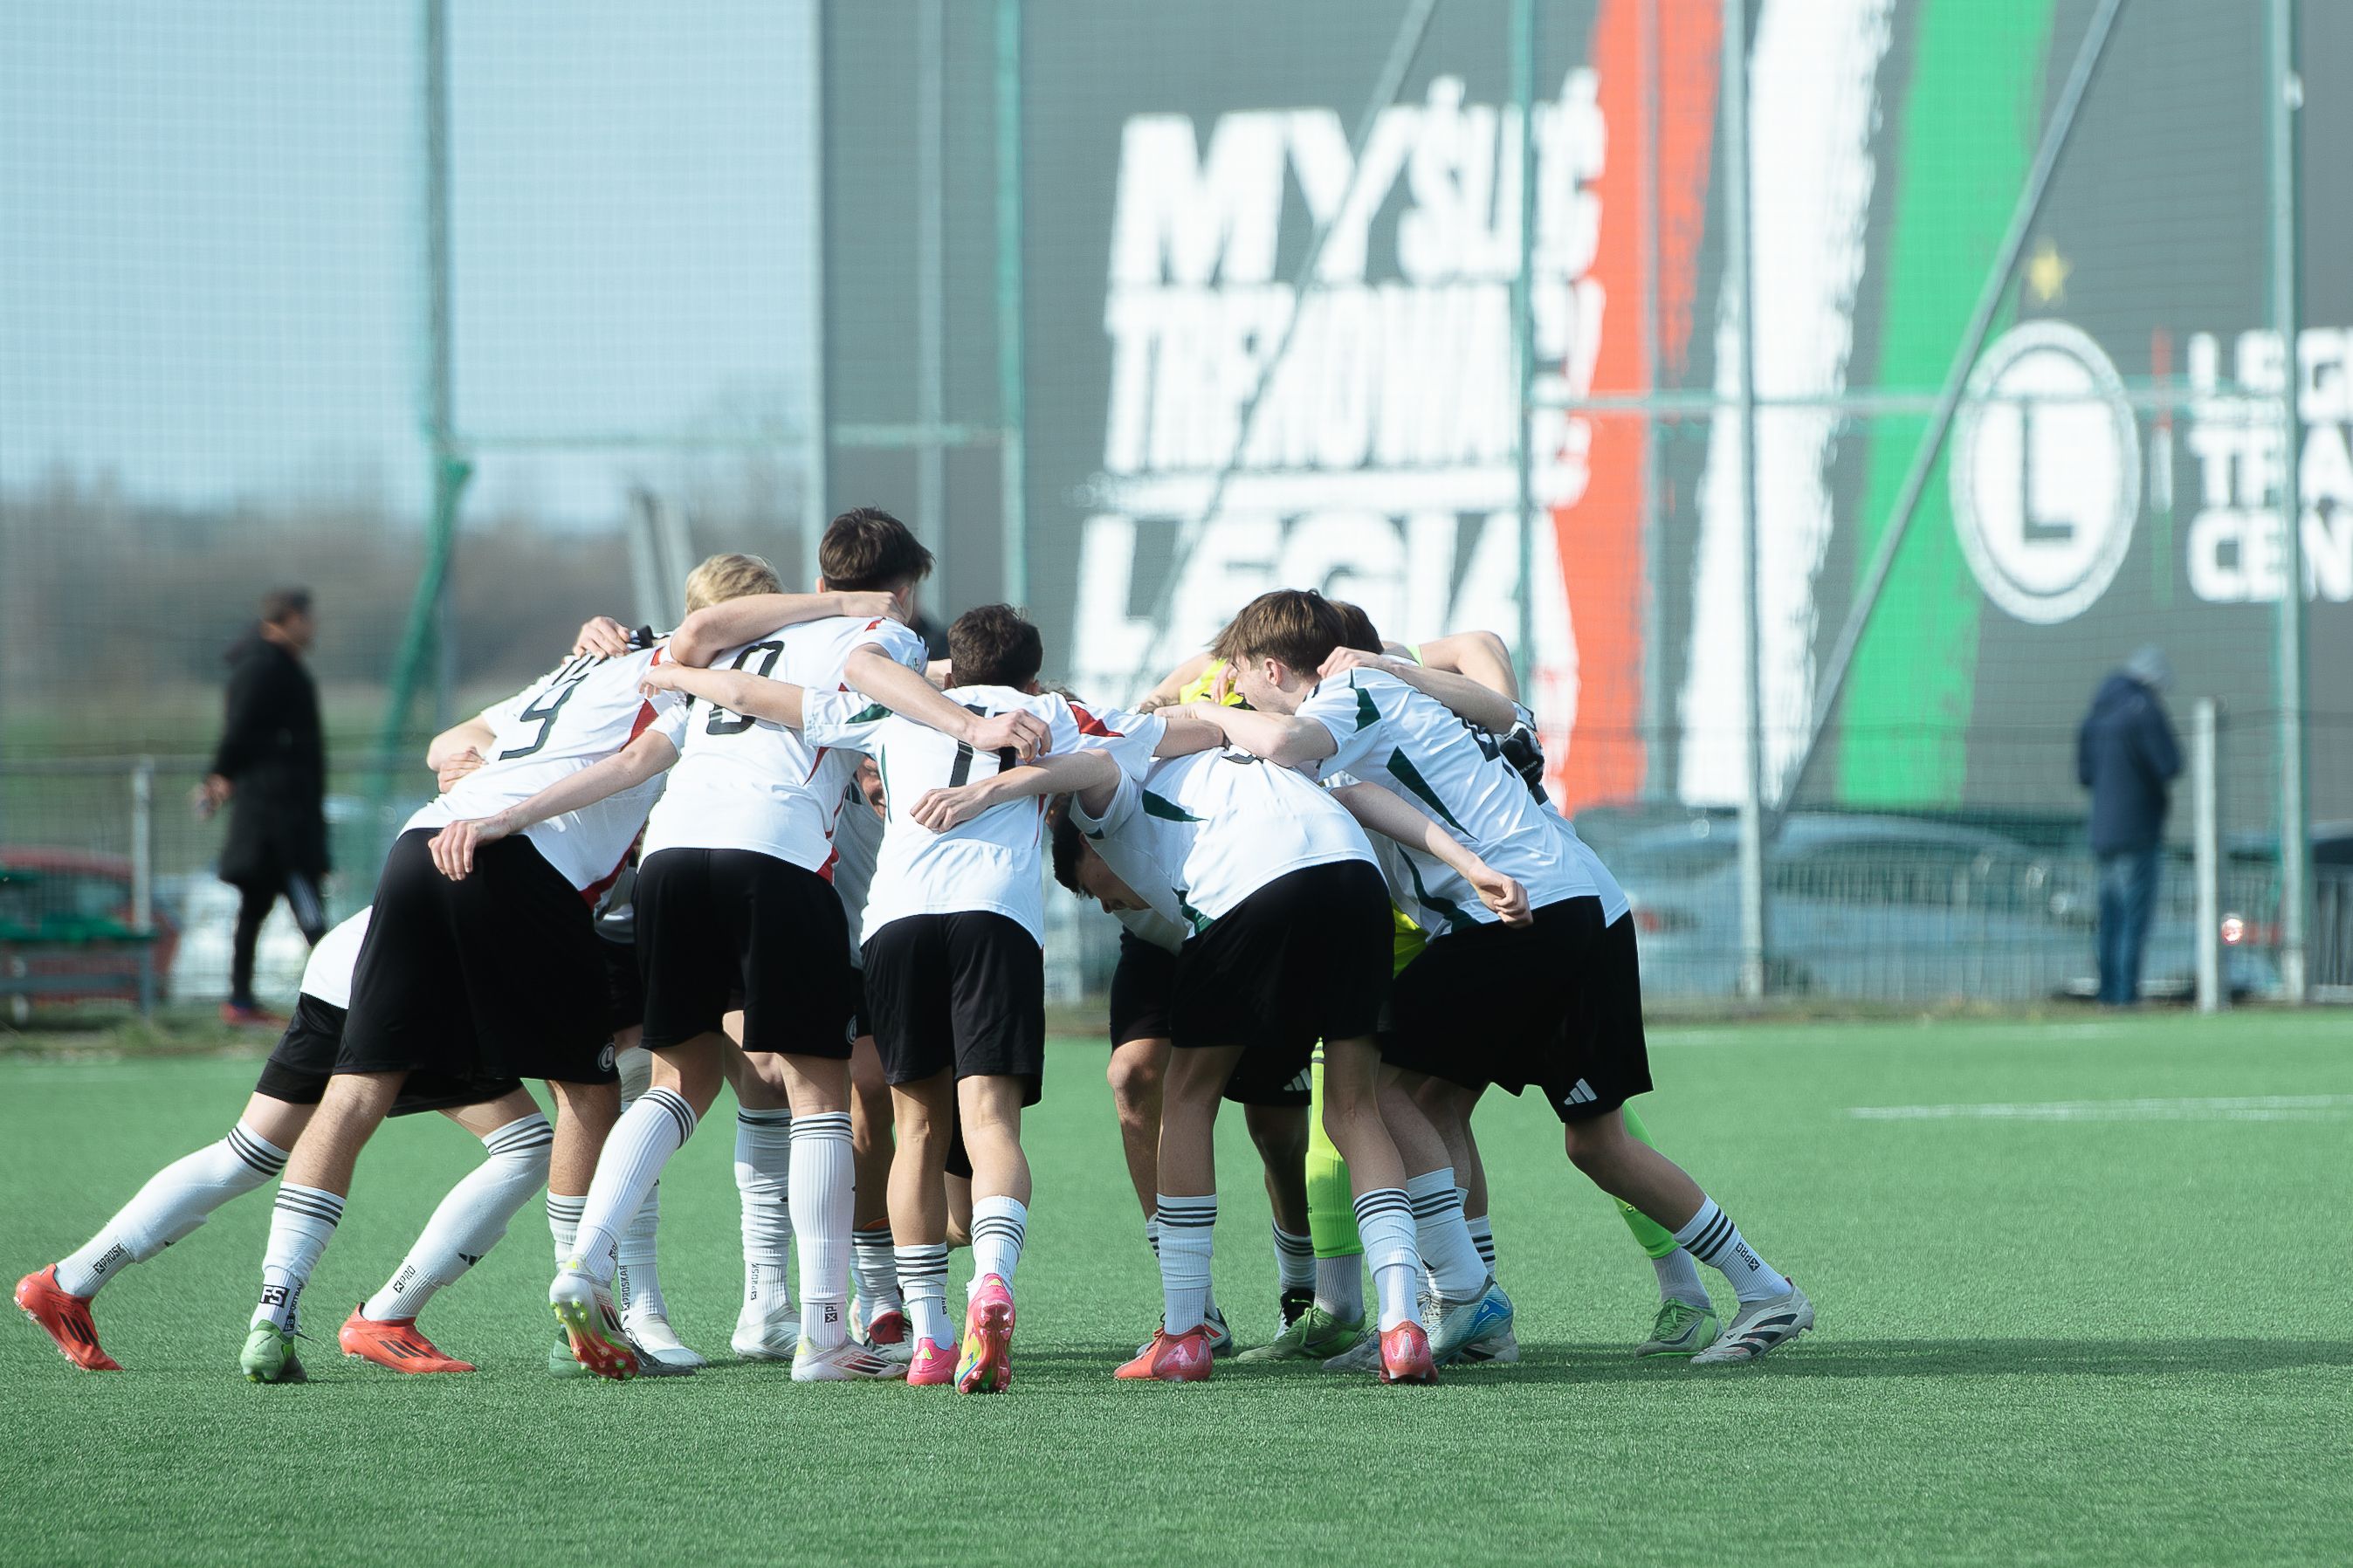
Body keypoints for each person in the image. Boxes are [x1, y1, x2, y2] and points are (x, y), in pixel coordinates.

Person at [1187, 589, 1815, 1365]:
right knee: (1546, 1131)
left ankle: (1472, 1299)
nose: (1230, 687)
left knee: (1373, 1089)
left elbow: (1290, 737)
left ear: (1271, 668)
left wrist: (1201, 715)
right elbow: (1480, 723)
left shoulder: (1348, 695)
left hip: (1524, 913)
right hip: (1566, 904)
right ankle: (1729, 1290)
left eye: (1238, 672)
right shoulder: (1370, 701)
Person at [17, 904, 549, 1377]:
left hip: (346, 960)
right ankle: (385, 1315)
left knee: (246, 1154)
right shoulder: (574, 829)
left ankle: (69, 1280)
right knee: (526, 1148)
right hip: (408, 981)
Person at [201, 587, 330, 1024]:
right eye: (308, 618)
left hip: (278, 812)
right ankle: (348, 999)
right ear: (288, 619)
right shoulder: (262, 666)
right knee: (309, 911)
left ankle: (240, 1001)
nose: (313, 627)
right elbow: (240, 728)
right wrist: (220, 774)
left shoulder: (278, 664)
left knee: (255, 908)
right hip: (278, 818)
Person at [2078, 646, 2181, 1007]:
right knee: (2133, 919)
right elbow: (2170, 764)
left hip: (2102, 831)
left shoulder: (2097, 711)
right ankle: (2125, 995)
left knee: (2110, 917)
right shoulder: (2144, 710)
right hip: (2139, 830)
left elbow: (2085, 774)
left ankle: (2107, 993)